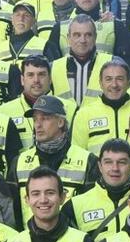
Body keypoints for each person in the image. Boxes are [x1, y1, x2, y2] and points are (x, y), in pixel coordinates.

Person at [9, 95, 98, 225]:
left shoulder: (88, 161)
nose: (38, 125)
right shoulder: (19, 162)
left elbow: (91, 208)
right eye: (35, 119)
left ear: (61, 122)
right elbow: (12, 209)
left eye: (45, 118)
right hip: (29, 241)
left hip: (73, 241)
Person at [62, 139, 130, 242]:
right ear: (100, 166)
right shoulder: (75, 206)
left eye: (122, 162)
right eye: (108, 162)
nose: (115, 168)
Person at [0, 55, 76, 149]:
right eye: (30, 75)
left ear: (50, 79)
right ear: (22, 80)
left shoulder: (70, 108)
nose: (36, 80)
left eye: (41, 74)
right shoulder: (4, 112)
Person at [70, 57, 130, 155]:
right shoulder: (84, 114)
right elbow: (78, 155)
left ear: (128, 83)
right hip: (97, 170)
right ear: (101, 83)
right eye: (108, 79)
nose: (114, 84)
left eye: (119, 79)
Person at [50, 15, 114, 105]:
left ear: (95, 37)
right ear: (68, 37)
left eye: (88, 35)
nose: (82, 40)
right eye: (77, 35)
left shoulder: (112, 64)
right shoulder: (53, 67)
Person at [0, 3, 59, 72]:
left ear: (34, 21)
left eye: (26, 15)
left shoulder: (46, 46)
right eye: (18, 15)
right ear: (12, 19)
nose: (21, 19)